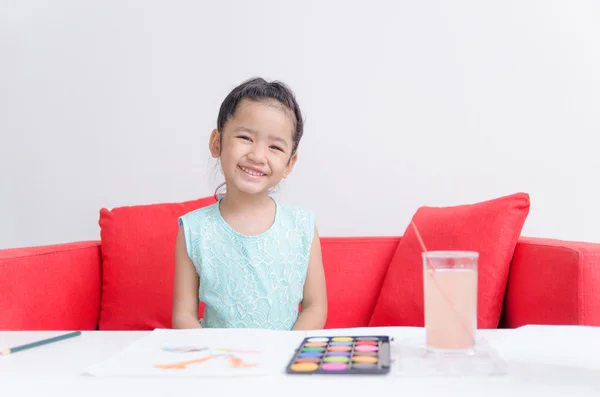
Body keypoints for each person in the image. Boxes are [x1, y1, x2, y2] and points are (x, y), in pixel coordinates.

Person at [171, 77, 328, 331]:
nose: (257, 155)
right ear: (216, 143)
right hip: (218, 361)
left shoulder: (302, 227)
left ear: (290, 163)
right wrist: (213, 357)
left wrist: (285, 350)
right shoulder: (194, 229)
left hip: (283, 361)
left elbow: (315, 307)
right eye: (245, 137)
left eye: (275, 146)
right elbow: (183, 315)